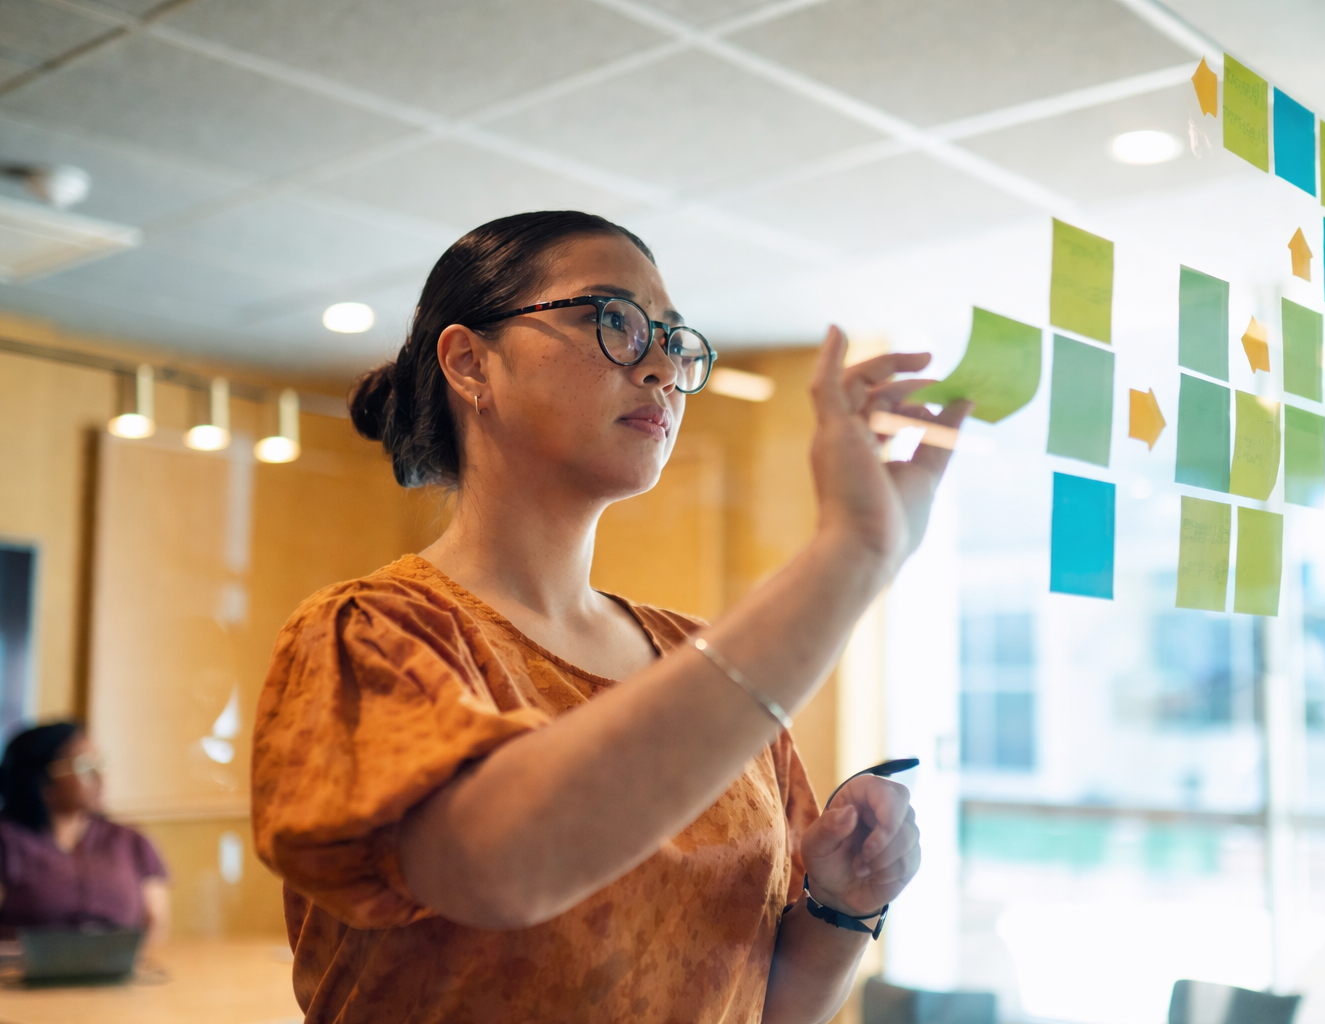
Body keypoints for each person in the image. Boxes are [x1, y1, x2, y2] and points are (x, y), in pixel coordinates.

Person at [251, 210, 968, 1023]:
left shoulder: (691, 653)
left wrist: (843, 907)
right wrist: (850, 556)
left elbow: (754, 1003)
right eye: (614, 320)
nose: (662, 364)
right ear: (469, 362)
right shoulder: (371, 633)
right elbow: (504, 869)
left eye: (673, 337)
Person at [0, 721, 169, 943]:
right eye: (86, 766)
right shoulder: (8, 841)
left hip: (117, 974)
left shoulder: (130, 840)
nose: (100, 777)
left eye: (101, 764)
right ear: (43, 778)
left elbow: (156, 928)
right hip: (23, 974)